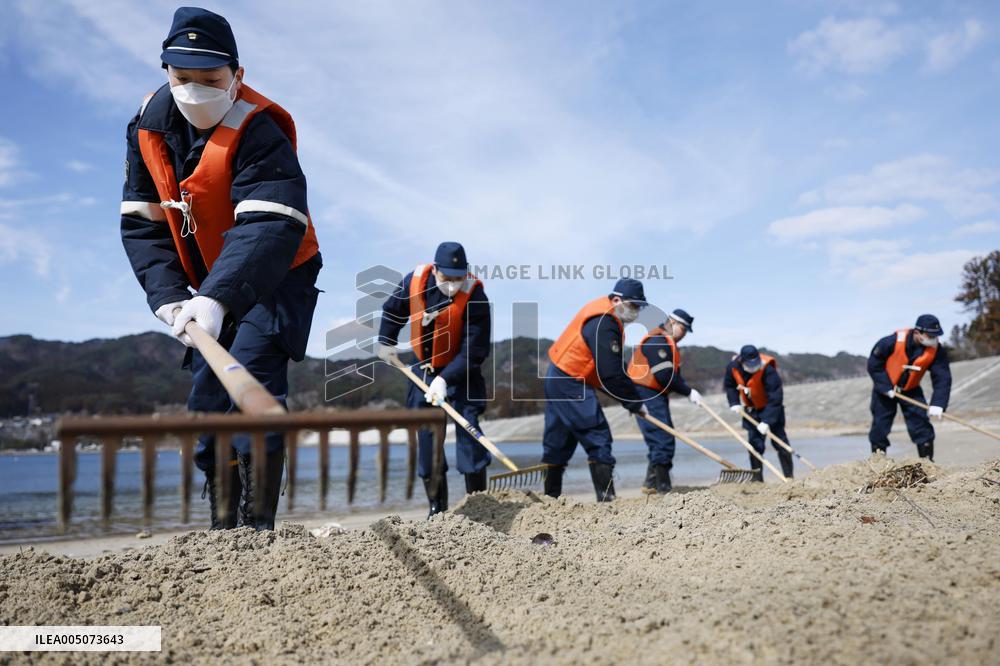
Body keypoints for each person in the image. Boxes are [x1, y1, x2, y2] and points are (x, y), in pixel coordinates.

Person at [120, 7, 322, 531]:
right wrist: (167, 295)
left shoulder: (261, 129)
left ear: (236, 75)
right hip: (210, 279)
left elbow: (268, 223)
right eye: (181, 78)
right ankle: (223, 524)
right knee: (207, 402)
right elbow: (143, 223)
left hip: (277, 270)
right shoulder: (146, 128)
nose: (195, 91)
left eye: (210, 80)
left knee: (252, 378)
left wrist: (218, 297)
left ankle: (257, 528)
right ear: (165, 72)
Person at [376, 242, 492, 517]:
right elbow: (393, 310)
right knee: (427, 441)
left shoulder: (475, 295)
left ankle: (478, 505)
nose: (452, 284)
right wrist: (385, 341)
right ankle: (436, 509)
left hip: (462, 372)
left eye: (458, 278)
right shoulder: (414, 281)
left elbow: (474, 350)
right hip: (423, 369)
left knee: (469, 434)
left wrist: (445, 379)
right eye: (446, 277)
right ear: (436, 269)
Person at [541, 278, 649, 502]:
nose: (636, 312)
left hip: (558, 376)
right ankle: (607, 501)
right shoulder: (604, 322)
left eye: (639, 307)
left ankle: (550, 499)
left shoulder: (605, 316)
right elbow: (610, 374)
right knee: (597, 436)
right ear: (617, 300)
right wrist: (634, 402)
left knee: (559, 440)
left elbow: (610, 370)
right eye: (633, 306)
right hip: (570, 380)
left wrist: (631, 399)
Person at [626, 308, 701, 493]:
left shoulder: (668, 343)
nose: (684, 334)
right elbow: (663, 375)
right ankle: (663, 487)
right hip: (645, 393)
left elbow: (673, 376)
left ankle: (651, 485)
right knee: (662, 439)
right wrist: (688, 391)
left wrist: (689, 392)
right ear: (672, 323)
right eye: (684, 329)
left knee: (662, 439)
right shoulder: (657, 341)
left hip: (655, 394)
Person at [867, 314, 951, 460]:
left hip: (911, 390)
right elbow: (874, 365)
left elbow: (942, 377)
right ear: (917, 332)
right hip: (885, 391)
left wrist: (938, 403)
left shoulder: (936, 350)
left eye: (936, 336)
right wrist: (885, 387)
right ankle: (878, 462)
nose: (934, 339)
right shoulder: (890, 342)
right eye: (930, 336)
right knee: (880, 426)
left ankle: (927, 463)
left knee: (921, 425)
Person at [723, 345, 793, 479]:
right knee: (755, 445)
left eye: (755, 363)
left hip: (772, 409)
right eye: (750, 364)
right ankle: (757, 480)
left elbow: (776, 397)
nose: (754, 366)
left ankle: (789, 477)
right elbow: (730, 385)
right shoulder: (733, 367)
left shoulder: (768, 369)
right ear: (741, 361)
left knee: (780, 442)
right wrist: (734, 402)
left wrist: (767, 421)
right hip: (752, 410)